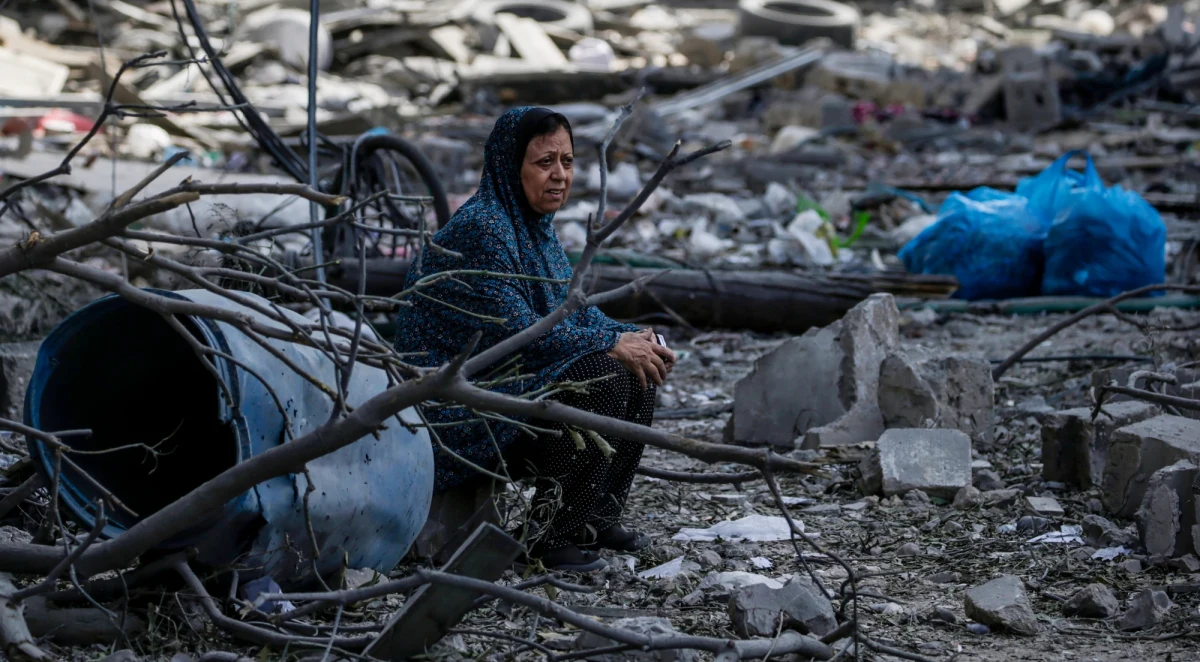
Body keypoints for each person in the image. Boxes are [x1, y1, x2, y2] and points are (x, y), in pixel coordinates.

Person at [393, 107, 676, 572]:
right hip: (456, 406)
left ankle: (594, 519)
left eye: (567, 161)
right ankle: (550, 538)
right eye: (545, 163)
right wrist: (611, 345)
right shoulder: (485, 229)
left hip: (511, 383)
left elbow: (573, 314)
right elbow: (523, 332)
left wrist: (634, 336)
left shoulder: (534, 229)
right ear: (510, 166)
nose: (560, 175)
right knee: (600, 374)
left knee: (637, 364)